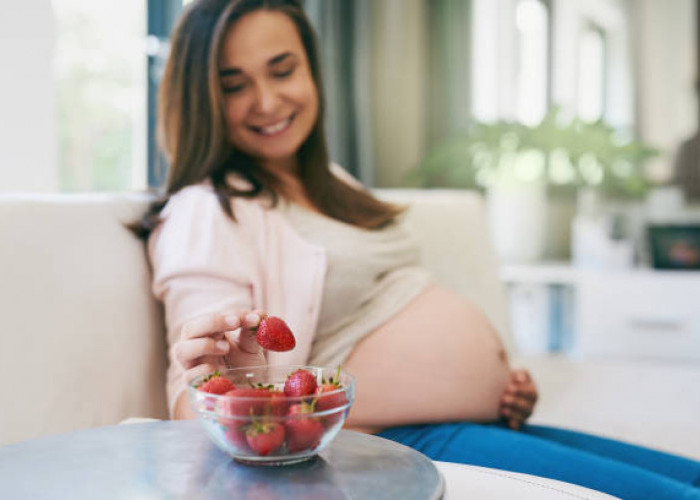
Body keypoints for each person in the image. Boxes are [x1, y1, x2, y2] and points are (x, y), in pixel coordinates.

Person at [133, 1, 700, 497]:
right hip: (398, 442)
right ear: (202, 97)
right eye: (234, 84)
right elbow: (193, 412)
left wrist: (493, 385)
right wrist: (208, 375)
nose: (267, 99)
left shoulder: (335, 184)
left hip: (471, 422)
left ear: (311, 70)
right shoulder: (206, 210)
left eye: (283, 70)